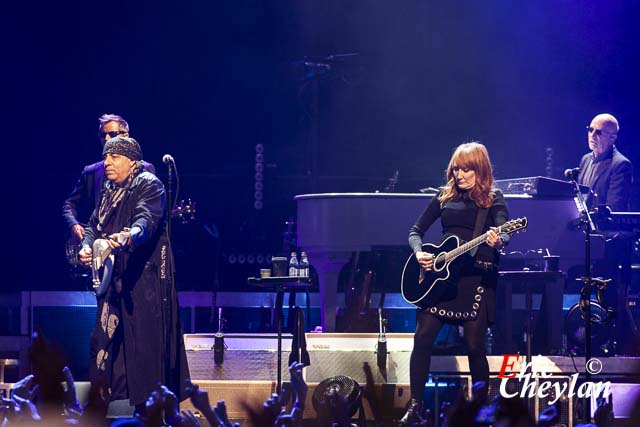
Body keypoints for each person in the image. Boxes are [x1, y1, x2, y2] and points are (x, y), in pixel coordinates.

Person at [77, 136, 188, 414]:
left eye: (114, 157)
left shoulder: (150, 185)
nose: (107, 162)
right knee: (101, 340)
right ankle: (99, 408)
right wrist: (86, 245)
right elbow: (93, 224)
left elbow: (146, 220)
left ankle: (150, 411)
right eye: (105, 157)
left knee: (145, 344)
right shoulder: (108, 189)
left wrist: (128, 236)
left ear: (132, 162)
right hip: (116, 280)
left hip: (145, 281)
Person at [402, 142, 509, 420]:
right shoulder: (443, 196)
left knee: (475, 346)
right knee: (422, 337)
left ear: (480, 169)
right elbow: (416, 231)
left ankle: (481, 410)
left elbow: (505, 230)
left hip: (476, 278)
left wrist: (500, 240)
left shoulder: (492, 198)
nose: (459, 175)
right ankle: (415, 406)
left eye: (466, 169)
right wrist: (419, 253)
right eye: (456, 169)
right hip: (443, 278)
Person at [62, 114, 155, 244]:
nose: (106, 138)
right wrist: (74, 224)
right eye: (102, 135)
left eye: (112, 134)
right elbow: (71, 204)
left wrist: (131, 234)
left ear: (126, 135)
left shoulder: (145, 171)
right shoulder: (91, 171)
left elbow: (147, 212)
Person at [577, 113, 632, 211]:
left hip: (603, 225)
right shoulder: (585, 159)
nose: (592, 135)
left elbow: (615, 208)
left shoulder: (621, 165)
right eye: (590, 129)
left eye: (598, 132)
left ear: (612, 138)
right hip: (582, 224)